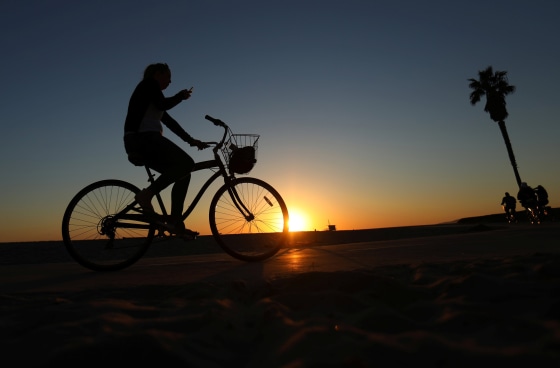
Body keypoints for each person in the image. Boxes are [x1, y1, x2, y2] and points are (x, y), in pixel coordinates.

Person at [123, 63, 208, 235]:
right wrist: (180, 96)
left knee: (184, 173)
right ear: (158, 74)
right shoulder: (149, 85)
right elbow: (164, 105)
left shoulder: (152, 96)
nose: (170, 81)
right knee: (186, 163)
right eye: (168, 77)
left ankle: (176, 224)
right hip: (143, 139)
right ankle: (147, 195)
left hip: (143, 141)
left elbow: (170, 122)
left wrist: (191, 140)